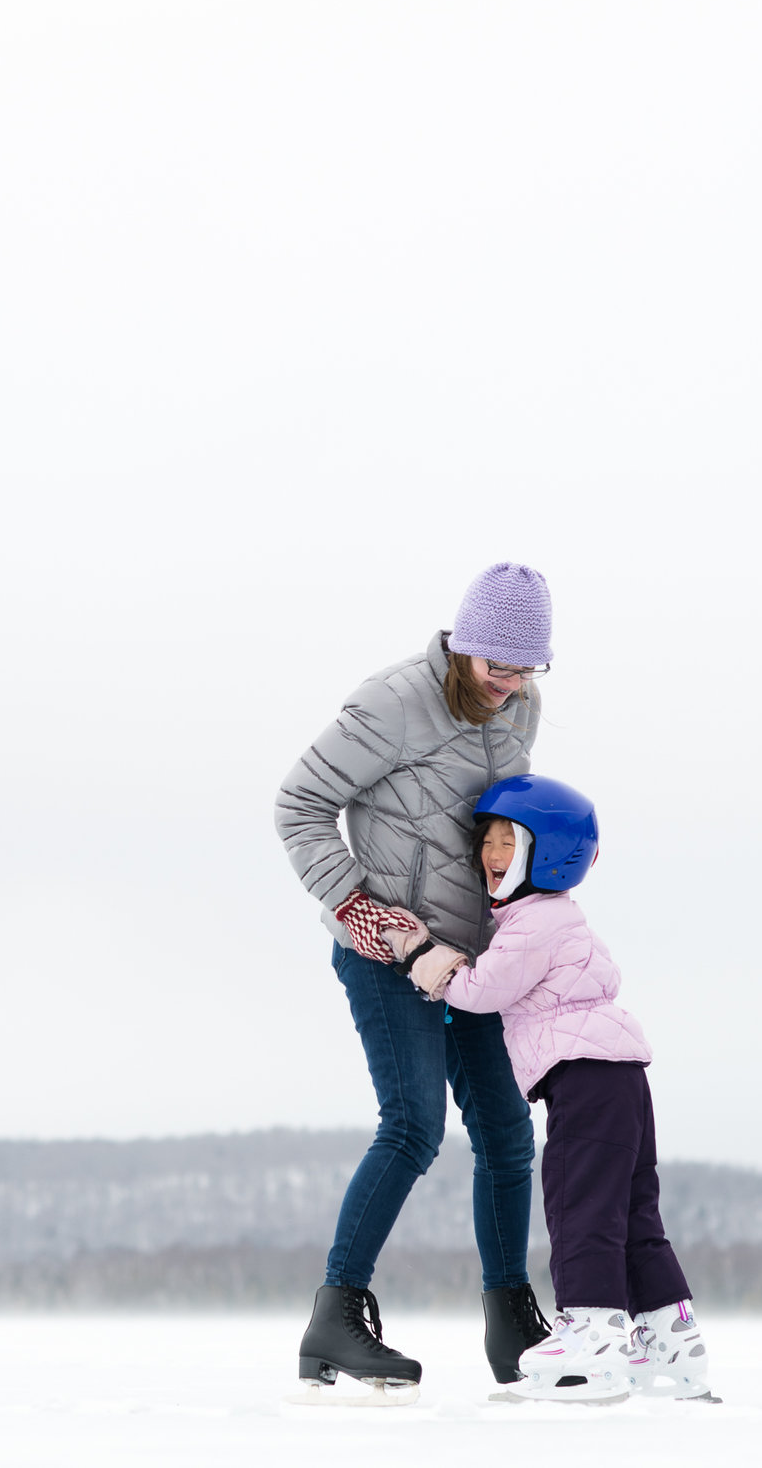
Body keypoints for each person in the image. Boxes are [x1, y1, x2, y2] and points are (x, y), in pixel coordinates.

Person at [274, 562, 557, 1405]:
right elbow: (297, 806)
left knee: (509, 1132)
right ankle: (337, 1312)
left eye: (525, 670)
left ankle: (512, 1321)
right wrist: (393, 934)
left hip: (475, 956)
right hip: (387, 949)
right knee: (413, 1124)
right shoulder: (392, 700)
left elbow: (492, 826)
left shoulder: (524, 706)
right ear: (462, 645)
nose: (509, 687)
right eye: (496, 667)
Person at [408, 775, 717, 1404]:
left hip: (587, 1080)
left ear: (544, 853)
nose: (491, 856)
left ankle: (591, 1339)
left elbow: (478, 992)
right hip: (621, 1077)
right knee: (632, 1212)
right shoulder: (556, 918)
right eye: (486, 841)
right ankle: (669, 1336)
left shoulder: (533, 923)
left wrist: (428, 959)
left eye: (506, 842)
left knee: (582, 1207)